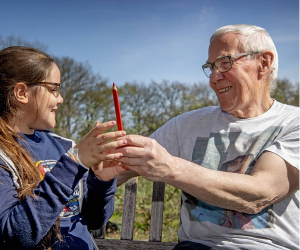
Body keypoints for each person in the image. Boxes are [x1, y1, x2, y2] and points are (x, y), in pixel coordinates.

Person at [115, 24, 299, 250]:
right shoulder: (186, 124)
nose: (213, 78)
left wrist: (170, 168)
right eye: (210, 67)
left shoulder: (294, 123)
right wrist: (90, 163)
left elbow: (261, 192)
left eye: (225, 63)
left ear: (264, 63)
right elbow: (117, 167)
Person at [0, 46, 128, 250]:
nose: (60, 99)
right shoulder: (3, 155)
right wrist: (73, 163)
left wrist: (101, 182)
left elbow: (94, 221)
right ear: (22, 92)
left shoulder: (64, 145)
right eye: (54, 89)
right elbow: (17, 235)